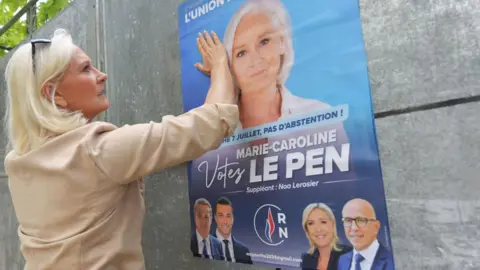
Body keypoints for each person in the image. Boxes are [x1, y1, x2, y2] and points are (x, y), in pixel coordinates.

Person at [3, 28, 238, 270]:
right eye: (85, 69)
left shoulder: (18, 163)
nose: (102, 75)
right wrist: (221, 64)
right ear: (54, 94)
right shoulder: (98, 151)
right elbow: (212, 122)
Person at [195, 0, 344, 132]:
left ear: (282, 42)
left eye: (264, 42)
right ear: (230, 66)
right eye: (241, 53)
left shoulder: (322, 118)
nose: (255, 60)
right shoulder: (214, 134)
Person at [338, 199, 395, 270]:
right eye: (348, 220)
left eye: (361, 220)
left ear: (376, 226)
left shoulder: (393, 261)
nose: (354, 228)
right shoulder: (343, 260)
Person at [300, 203, 352, 270]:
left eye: (323, 222)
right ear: (307, 230)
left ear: (332, 224)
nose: (318, 229)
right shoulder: (307, 258)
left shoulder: (350, 255)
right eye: (311, 223)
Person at [214, 196, 253, 264]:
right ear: (215, 218)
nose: (225, 221)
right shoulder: (205, 247)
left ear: (233, 218)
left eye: (228, 216)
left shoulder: (244, 251)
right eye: (221, 215)